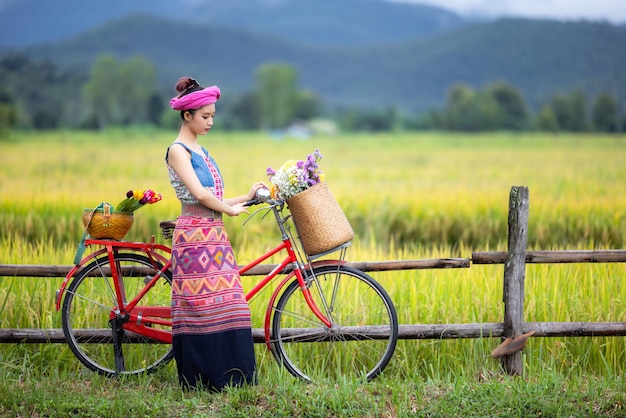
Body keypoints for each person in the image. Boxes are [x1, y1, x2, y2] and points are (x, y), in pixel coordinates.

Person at [165, 76, 265, 391]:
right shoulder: (178, 151)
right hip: (194, 236)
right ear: (187, 115)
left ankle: (235, 377)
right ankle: (203, 380)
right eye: (205, 116)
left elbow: (216, 198)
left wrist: (246, 197)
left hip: (215, 235)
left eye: (212, 116)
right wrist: (230, 210)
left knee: (231, 302)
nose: (210, 122)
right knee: (200, 307)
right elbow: (199, 194)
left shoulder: (203, 150)